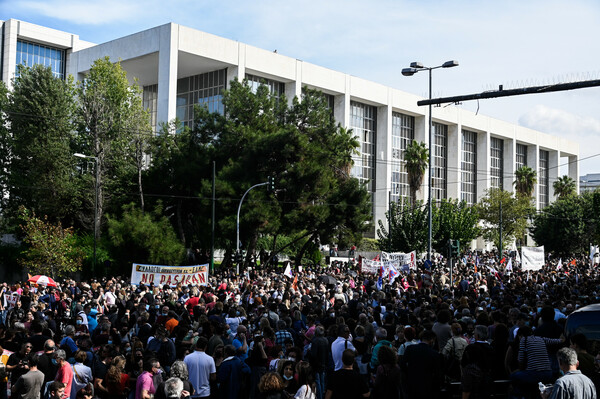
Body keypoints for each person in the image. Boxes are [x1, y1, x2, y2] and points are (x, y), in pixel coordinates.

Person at [400, 329, 444, 399]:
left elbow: (402, 365)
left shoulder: (410, 349)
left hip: (412, 384)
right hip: (428, 386)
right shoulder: (435, 354)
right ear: (432, 340)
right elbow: (437, 373)